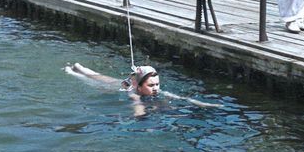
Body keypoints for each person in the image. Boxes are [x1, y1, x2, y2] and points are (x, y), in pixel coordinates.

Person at [65, 63, 220, 116]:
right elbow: (137, 104)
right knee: (92, 77)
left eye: (157, 84)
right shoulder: (134, 93)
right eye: (151, 85)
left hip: (129, 81)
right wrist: (139, 116)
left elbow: (182, 99)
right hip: (116, 86)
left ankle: (78, 67)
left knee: (96, 75)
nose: (156, 89)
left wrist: (205, 105)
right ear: (139, 87)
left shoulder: (156, 91)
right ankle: (74, 70)